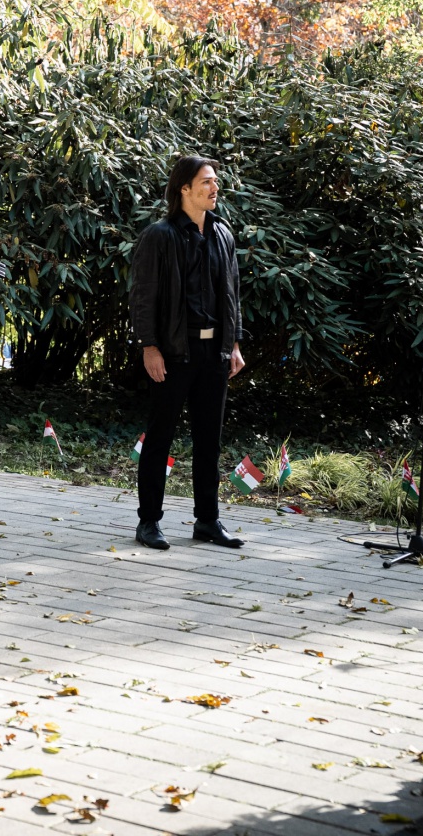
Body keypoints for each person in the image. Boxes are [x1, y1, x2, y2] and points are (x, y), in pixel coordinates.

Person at [128, 154, 246, 551]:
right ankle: (148, 521)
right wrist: (149, 346)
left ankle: (207, 520)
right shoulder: (159, 236)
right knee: (160, 437)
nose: (215, 187)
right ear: (184, 188)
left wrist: (234, 343)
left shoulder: (222, 233)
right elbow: (143, 296)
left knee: (209, 440)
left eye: (215, 181)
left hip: (215, 353)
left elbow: (232, 294)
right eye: (206, 181)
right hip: (174, 352)